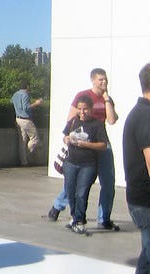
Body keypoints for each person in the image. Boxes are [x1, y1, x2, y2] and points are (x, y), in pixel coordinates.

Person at [48, 68, 120, 230]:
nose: (104, 82)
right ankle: (58, 206)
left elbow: (112, 120)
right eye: (101, 79)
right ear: (93, 80)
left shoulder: (106, 99)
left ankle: (104, 218)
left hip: (101, 143)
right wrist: (72, 138)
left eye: (106, 79)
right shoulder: (83, 96)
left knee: (108, 182)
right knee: (75, 182)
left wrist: (107, 99)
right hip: (82, 145)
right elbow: (71, 120)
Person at [123, 63, 150, 274]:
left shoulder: (139, 112)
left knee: (146, 262)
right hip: (146, 202)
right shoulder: (146, 116)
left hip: (139, 200)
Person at [62, 94, 108, 235]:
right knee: (70, 192)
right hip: (70, 162)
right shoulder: (73, 121)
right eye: (80, 109)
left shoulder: (97, 124)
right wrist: (67, 139)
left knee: (81, 193)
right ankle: (75, 216)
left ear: (91, 109)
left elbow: (103, 145)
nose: (82, 112)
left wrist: (85, 144)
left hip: (88, 164)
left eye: (85, 109)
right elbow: (64, 136)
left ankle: (79, 220)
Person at [11, 80, 44, 166]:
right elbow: (26, 107)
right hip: (26, 120)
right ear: (27, 87)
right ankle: (28, 152)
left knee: (22, 141)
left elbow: (12, 101)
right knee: (35, 139)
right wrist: (37, 103)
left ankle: (24, 162)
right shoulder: (25, 94)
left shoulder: (15, 94)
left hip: (17, 119)